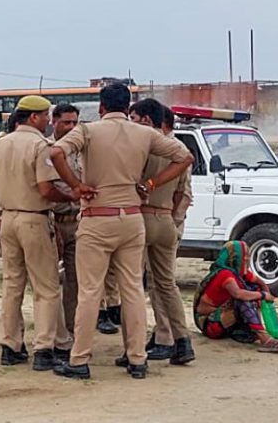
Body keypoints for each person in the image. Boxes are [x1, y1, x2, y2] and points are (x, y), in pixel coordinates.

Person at [50, 83, 194, 379]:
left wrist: (77, 186)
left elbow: (55, 152)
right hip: (131, 217)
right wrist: (151, 184)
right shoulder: (144, 133)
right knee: (133, 289)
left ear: (101, 107)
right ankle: (137, 358)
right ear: (128, 108)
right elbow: (185, 157)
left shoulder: (88, 131)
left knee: (91, 291)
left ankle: (79, 360)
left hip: (97, 215)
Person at [0, 95, 72, 369]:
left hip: (8, 220)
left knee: (12, 286)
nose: (47, 121)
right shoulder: (40, 146)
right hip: (34, 218)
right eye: (45, 116)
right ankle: (44, 348)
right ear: (34, 117)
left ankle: (11, 345)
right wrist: (68, 197)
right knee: (46, 288)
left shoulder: (1, 144)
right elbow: (45, 188)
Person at [126, 98, 195, 366]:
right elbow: (182, 193)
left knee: (131, 284)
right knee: (167, 284)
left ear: (145, 119)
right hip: (165, 217)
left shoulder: (139, 142)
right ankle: (182, 340)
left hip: (139, 217)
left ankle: (132, 348)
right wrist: (173, 219)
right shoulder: (177, 147)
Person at [193, 241, 278, 353]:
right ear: (235, 258)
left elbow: (259, 282)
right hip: (210, 323)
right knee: (244, 298)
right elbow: (238, 294)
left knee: (253, 290)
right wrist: (263, 295)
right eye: (245, 256)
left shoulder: (238, 273)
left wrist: (266, 297)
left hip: (223, 317)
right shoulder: (225, 274)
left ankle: (257, 332)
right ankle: (265, 339)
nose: (247, 260)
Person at [48, 103, 82, 362]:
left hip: (78, 222)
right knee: (48, 283)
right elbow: (43, 191)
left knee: (76, 282)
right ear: (54, 122)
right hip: (53, 222)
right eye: (66, 123)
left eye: (74, 123)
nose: (71, 127)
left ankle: (69, 332)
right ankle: (51, 334)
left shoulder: (82, 151)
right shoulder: (46, 151)